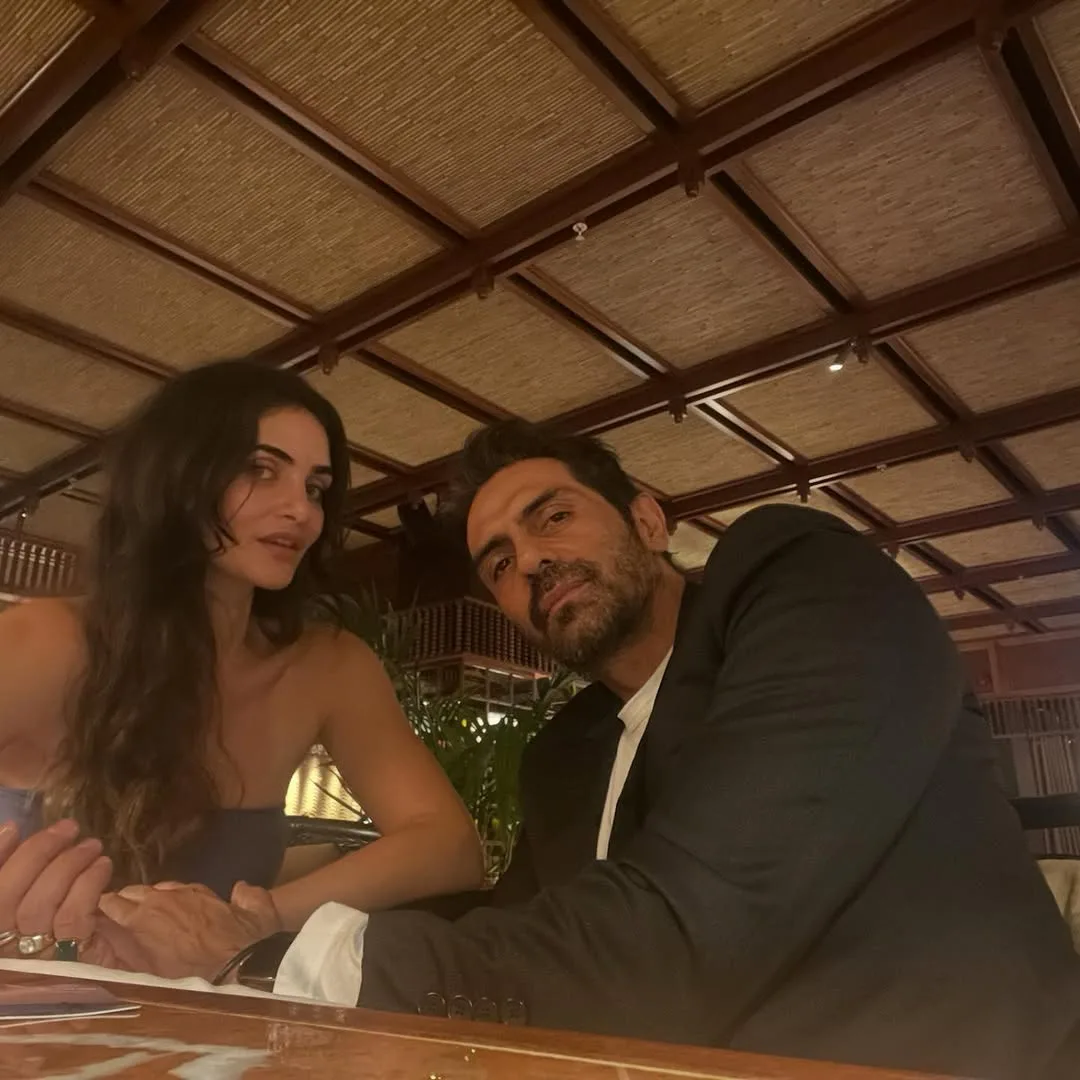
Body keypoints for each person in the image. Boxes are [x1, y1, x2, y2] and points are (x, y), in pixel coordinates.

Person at [8, 420, 1080, 1079]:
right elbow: (505, 922)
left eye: (554, 517)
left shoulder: (790, 577)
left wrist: (266, 956)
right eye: (499, 561)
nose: (530, 563)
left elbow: (689, 923)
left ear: (648, 519)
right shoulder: (568, 752)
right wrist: (253, 923)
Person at [0, 362, 484, 961]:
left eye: (315, 487)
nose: (301, 510)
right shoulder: (48, 642)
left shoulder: (327, 666)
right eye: (260, 469)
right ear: (179, 478)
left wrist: (254, 920)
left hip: (207, 1014)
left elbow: (449, 845)